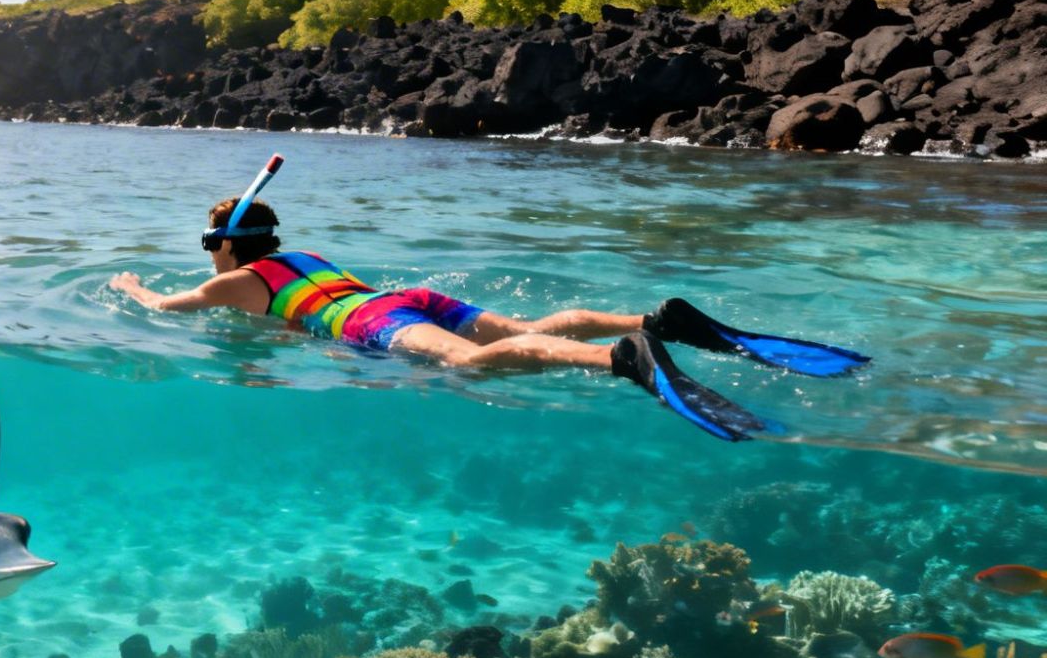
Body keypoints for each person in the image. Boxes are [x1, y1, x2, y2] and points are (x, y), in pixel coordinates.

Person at [108, 197, 870, 441]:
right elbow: (288, 314)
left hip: (367, 323)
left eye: (211, 246)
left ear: (223, 245)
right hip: (407, 296)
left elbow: (165, 310)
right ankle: (654, 317)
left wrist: (133, 285)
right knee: (522, 326)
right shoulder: (300, 253)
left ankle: (621, 357)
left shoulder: (232, 282)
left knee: (468, 364)